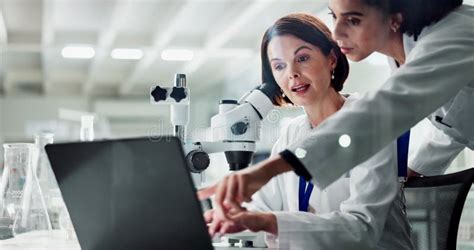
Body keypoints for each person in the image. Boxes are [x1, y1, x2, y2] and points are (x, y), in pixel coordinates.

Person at [198, 0, 473, 219]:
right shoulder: (402, 54)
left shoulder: (454, 35)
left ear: (394, 18)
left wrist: (265, 170)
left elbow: (377, 115)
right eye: (334, 16)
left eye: (353, 19)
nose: (337, 33)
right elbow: (456, 123)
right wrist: (416, 168)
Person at [205, 13, 413, 249]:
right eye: (279, 66)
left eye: (302, 57)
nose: (291, 73)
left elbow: (361, 228)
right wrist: (231, 217)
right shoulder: (291, 134)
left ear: (331, 59)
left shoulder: (371, 121)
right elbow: (262, 206)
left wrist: (268, 222)